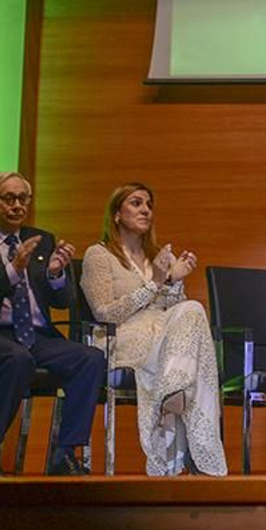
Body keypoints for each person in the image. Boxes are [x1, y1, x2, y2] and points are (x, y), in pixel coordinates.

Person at [0, 170, 105, 476]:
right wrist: (14, 270)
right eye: (9, 198)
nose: (18, 205)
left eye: (23, 198)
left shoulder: (40, 240)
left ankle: (65, 451)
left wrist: (55, 274)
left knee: (91, 358)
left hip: (38, 335)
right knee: (17, 359)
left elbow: (62, 301)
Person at [80, 183, 227, 476]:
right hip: (121, 338)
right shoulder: (98, 255)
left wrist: (174, 281)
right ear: (117, 214)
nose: (145, 209)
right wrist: (155, 283)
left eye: (148, 204)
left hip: (163, 339)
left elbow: (179, 314)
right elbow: (105, 313)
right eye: (136, 203)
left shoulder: (160, 256)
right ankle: (198, 457)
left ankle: (172, 393)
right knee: (193, 360)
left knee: (193, 308)